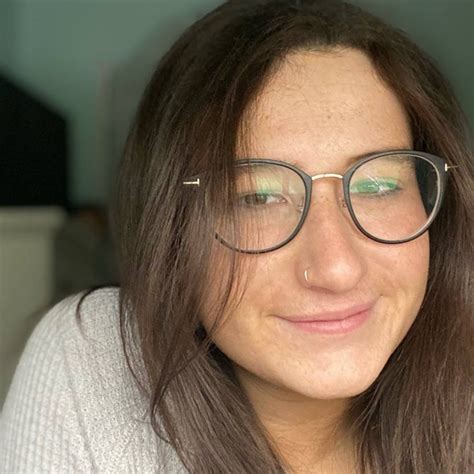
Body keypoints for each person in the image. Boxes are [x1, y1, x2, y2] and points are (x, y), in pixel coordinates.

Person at [1, 1, 472, 472]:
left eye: (378, 187)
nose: (336, 268)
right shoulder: (98, 362)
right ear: (173, 225)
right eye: (258, 198)